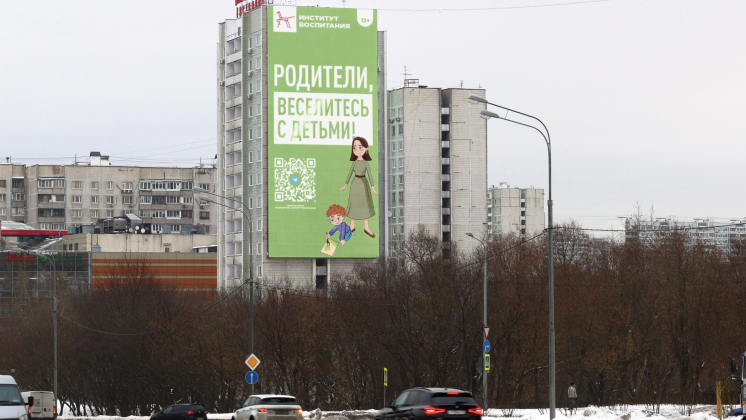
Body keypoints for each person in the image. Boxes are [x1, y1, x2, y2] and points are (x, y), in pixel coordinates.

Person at [339, 136, 378, 238]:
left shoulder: (366, 163)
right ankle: (352, 225)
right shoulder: (355, 163)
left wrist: (373, 187)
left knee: (365, 204)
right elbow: (349, 174)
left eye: (360, 147)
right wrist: (345, 185)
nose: (357, 150)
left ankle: (366, 227)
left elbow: (370, 175)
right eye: (354, 147)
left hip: (364, 184)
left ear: (366, 149)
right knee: (354, 203)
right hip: (355, 184)